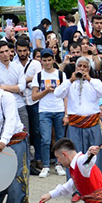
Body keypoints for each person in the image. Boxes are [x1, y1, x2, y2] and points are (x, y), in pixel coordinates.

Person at [55, 57, 102, 185]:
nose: (82, 69)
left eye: (85, 67)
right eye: (80, 66)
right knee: (73, 156)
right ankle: (75, 187)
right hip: (75, 124)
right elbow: (57, 93)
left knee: (95, 155)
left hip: (92, 124)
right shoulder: (70, 83)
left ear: (89, 69)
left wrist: (89, 79)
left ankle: (98, 185)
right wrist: (71, 80)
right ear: (75, 68)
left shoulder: (94, 82)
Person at [30, 49, 67, 177]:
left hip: (59, 110)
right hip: (44, 111)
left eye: (49, 60)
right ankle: (46, 166)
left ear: (53, 60)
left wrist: (66, 114)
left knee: (60, 139)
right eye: (44, 60)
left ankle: (59, 164)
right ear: (41, 61)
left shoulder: (61, 75)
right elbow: (34, 97)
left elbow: (66, 96)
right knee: (45, 139)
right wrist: (46, 91)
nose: (47, 63)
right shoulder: (38, 76)